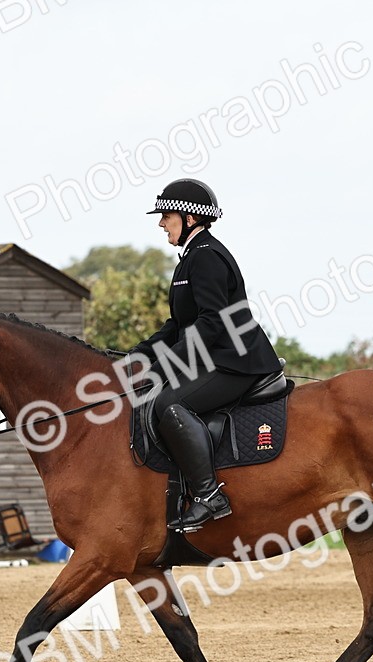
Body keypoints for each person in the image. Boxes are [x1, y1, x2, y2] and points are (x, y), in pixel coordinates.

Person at [129, 178, 281, 533]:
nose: (161, 222)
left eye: (166, 215)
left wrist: (166, 366)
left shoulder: (207, 257)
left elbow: (212, 323)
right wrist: (140, 354)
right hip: (219, 357)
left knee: (169, 404)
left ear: (189, 218)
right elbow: (179, 323)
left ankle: (209, 495)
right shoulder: (190, 259)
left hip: (237, 360)